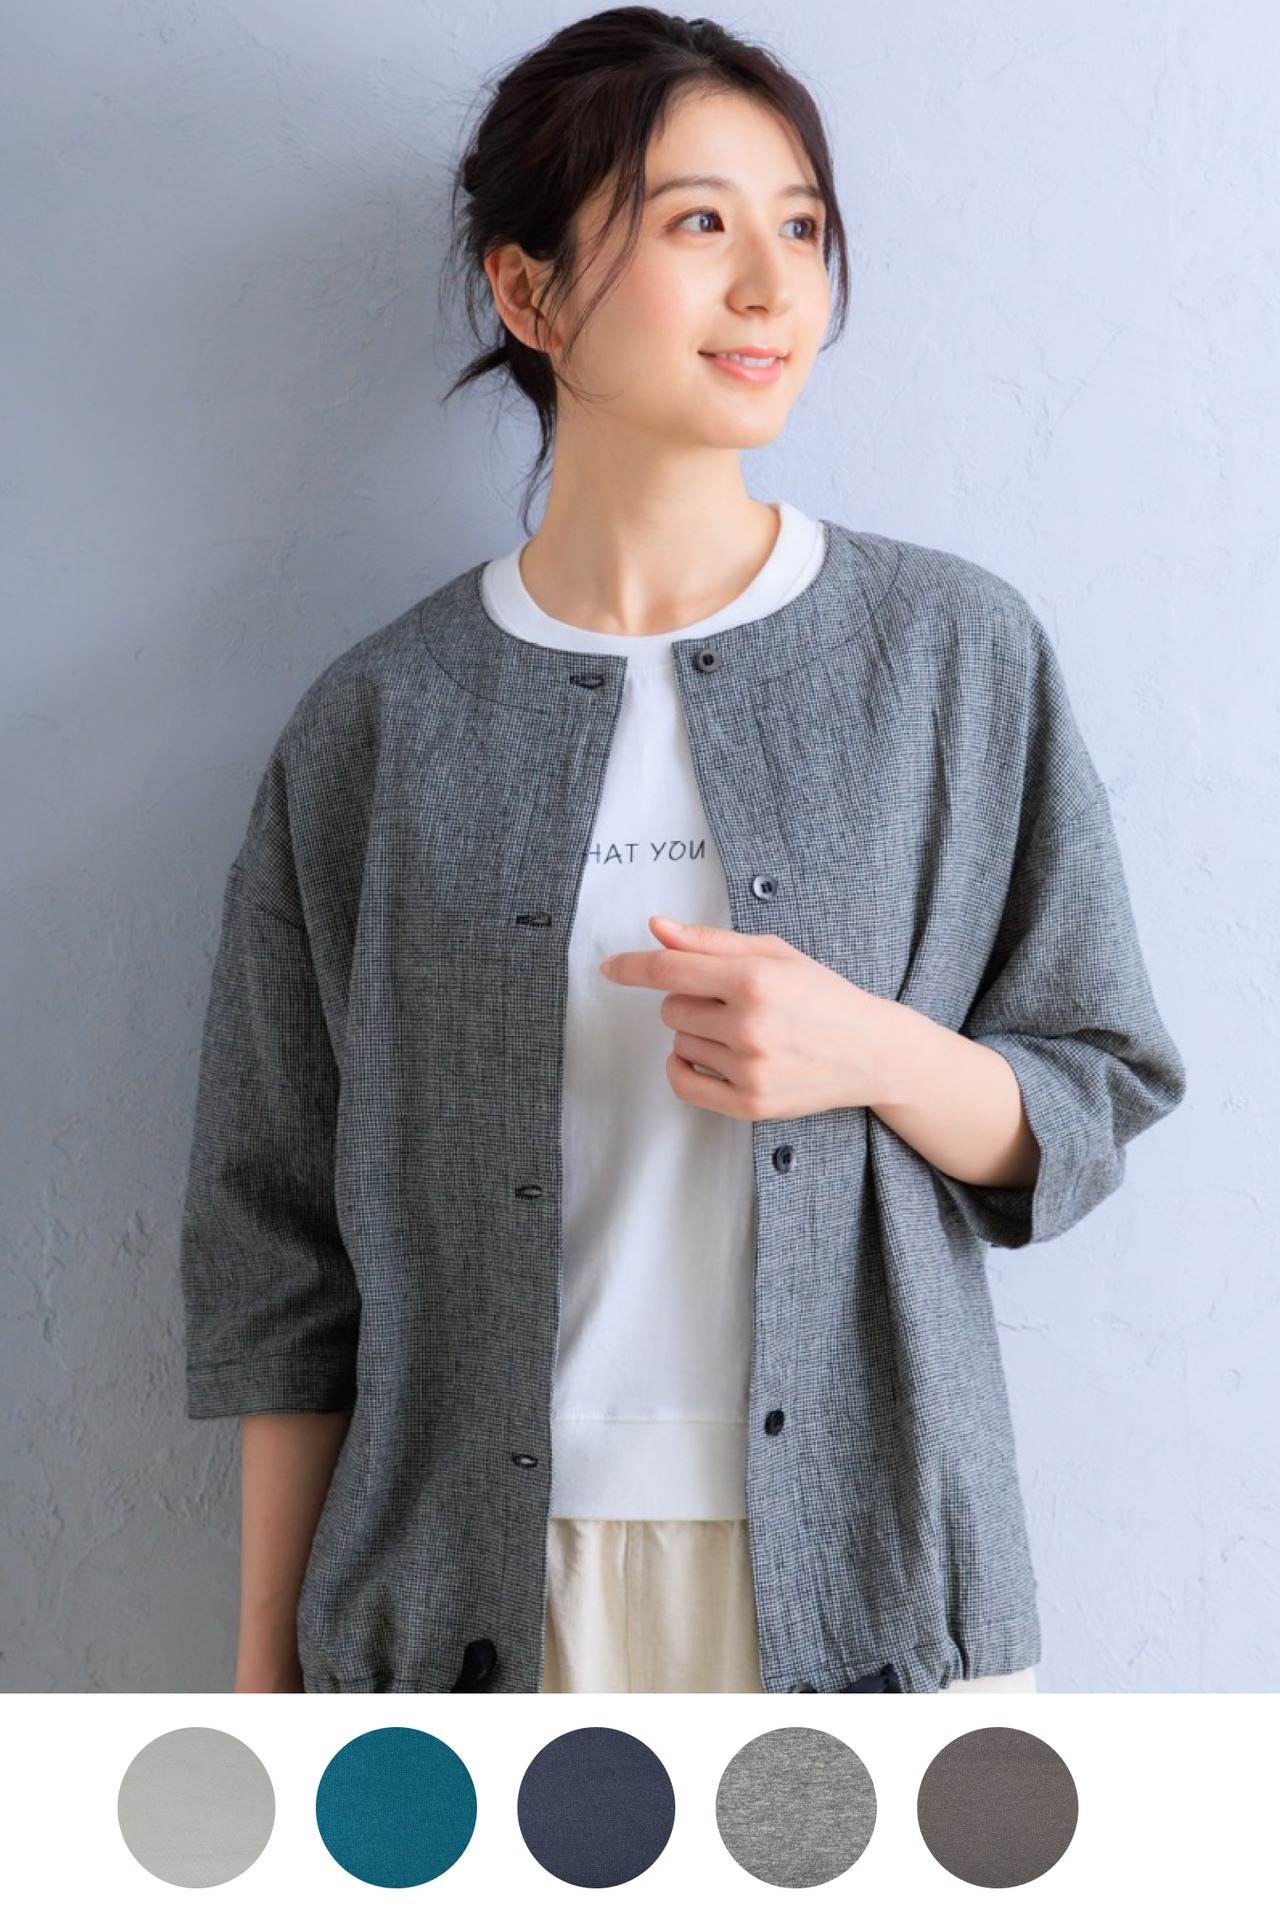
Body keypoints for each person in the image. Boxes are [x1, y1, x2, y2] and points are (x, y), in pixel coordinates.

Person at [179, 8, 1186, 1695]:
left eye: (801, 224)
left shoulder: (949, 656)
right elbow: (276, 1245)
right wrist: (265, 1676)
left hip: (870, 1588)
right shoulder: (378, 724)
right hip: (469, 1606)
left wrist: (867, 1048)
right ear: (530, 294)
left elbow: (1094, 1087)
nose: (776, 286)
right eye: (699, 222)